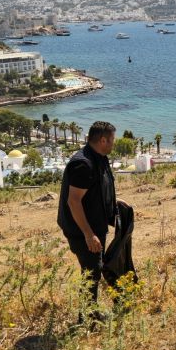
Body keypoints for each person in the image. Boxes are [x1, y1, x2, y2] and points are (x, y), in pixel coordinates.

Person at [57, 121, 127, 309]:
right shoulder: (83, 164)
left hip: (95, 225)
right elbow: (74, 201)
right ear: (103, 140)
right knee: (92, 272)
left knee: (95, 268)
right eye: (112, 139)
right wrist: (89, 234)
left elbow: (99, 188)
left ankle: (91, 313)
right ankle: (88, 317)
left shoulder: (99, 156)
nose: (114, 143)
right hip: (82, 230)